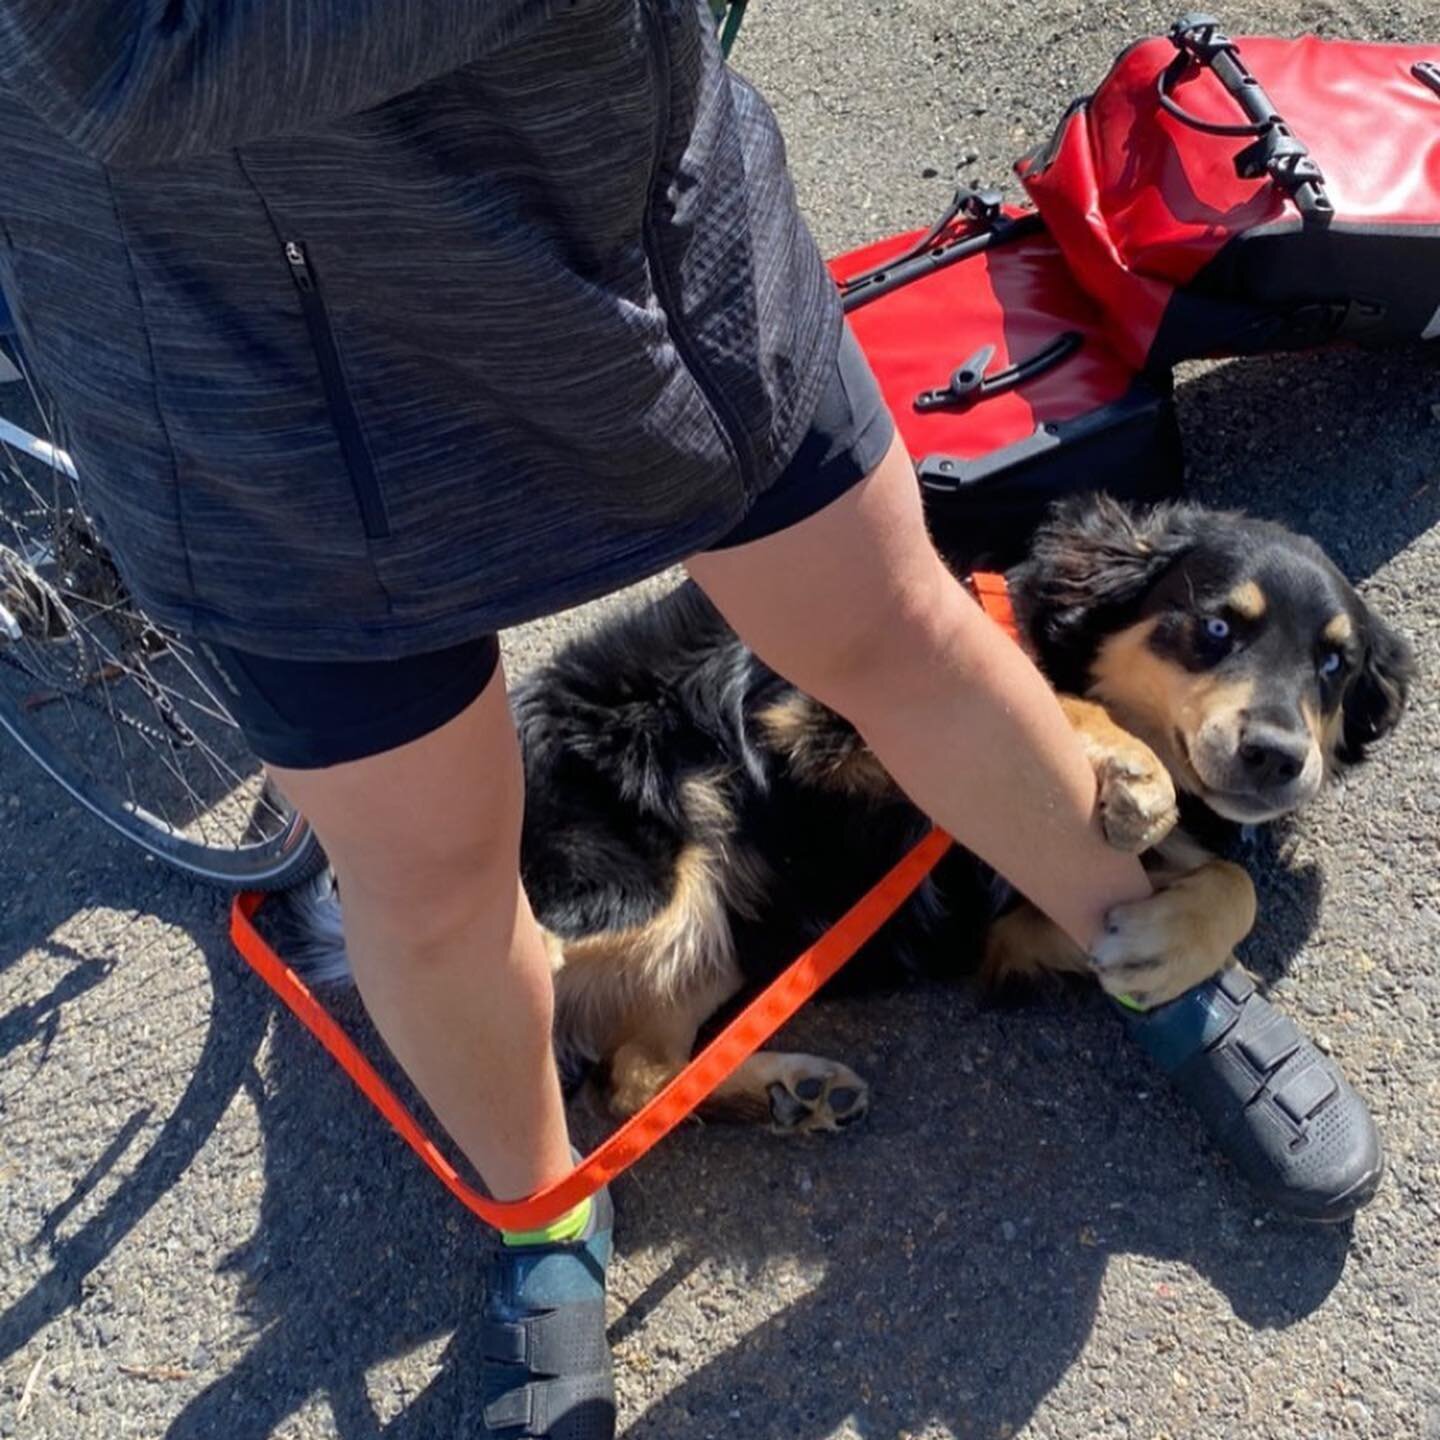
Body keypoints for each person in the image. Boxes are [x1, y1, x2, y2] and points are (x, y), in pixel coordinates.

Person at [0, 5, 1381, 1436]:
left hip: (625, 217)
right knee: (431, 884)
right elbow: (117, 56)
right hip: (231, 349)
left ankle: (1151, 955)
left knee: (899, 633)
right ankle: (543, 1216)